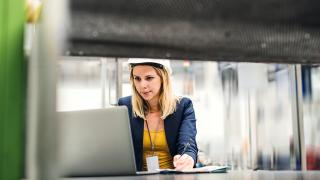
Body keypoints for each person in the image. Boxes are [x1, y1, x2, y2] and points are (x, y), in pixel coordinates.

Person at [118, 58, 198, 171]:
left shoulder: (183, 106)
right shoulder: (125, 106)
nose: (142, 85)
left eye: (149, 78)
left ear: (163, 78)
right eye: (137, 79)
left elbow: (188, 144)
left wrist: (187, 158)